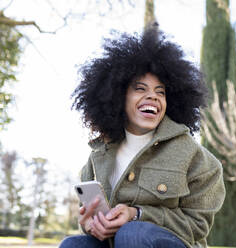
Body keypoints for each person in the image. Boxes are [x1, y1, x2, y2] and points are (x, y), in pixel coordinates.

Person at [59, 26, 225, 248]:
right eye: (140, 89)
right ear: (118, 96)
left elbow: (197, 225)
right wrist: (90, 224)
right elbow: (92, 221)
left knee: (133, 234)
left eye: (161, 92)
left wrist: (136, 214)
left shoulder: (194, 156)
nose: (152, 97)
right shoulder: (97, 157)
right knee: (74, 244)